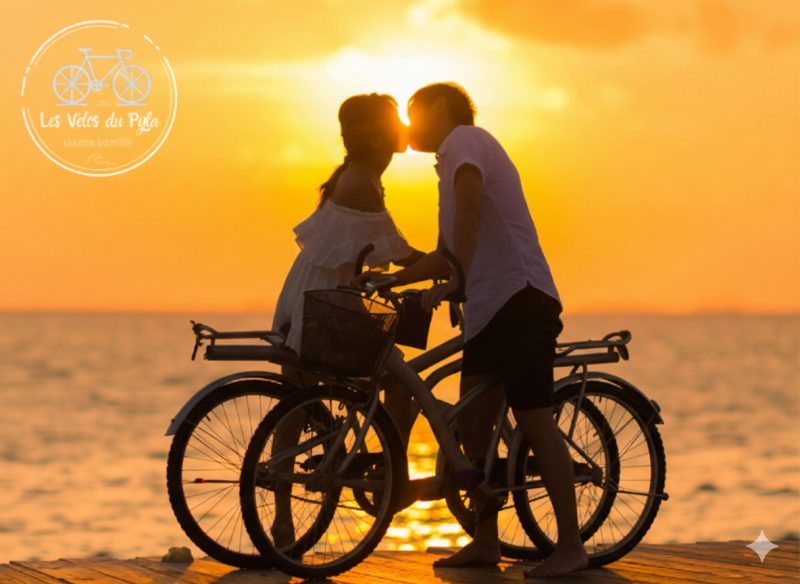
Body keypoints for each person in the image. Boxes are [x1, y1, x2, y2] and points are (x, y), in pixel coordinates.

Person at [354, 82, 589, 578]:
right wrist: (396, 277)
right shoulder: (448, 165)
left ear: (439, 107)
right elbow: (446, 251)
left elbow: (472, 210)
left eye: (414, 112)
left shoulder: (466, 140)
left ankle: (571, 547)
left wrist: (457, 275)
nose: (408, 125)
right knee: (475, 427)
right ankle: (485, 541)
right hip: (486, 307)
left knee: (534, 419)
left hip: (520, 297)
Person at [269, 92, 424, 547]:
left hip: (312, 301)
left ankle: (282, 522)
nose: (404, 127)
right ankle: (389, 476)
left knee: (293, 410)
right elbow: (400, 252)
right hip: (328, 309)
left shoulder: (357, 176)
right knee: (402, 386)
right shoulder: (361, 183)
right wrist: (453, 265)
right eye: (396, 120)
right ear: (377, 135)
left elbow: (373, 252)